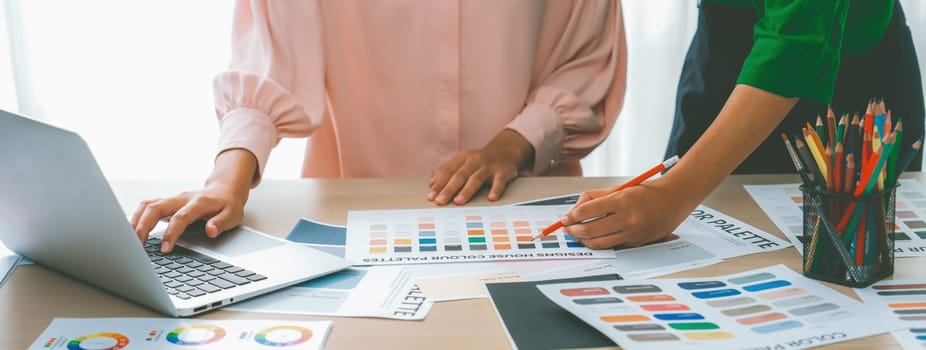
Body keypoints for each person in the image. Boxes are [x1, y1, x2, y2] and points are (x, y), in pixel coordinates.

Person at [133, 0, 627, 253]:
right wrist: (227, 181)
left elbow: (582, 57)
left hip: (529, 219)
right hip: (351, 225)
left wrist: (514, 143)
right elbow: (270, 57)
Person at [562, 0, 924, 249]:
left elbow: (793, 44)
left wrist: (673, 193)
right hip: (723, 50)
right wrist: (671, 192)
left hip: (844, 82)